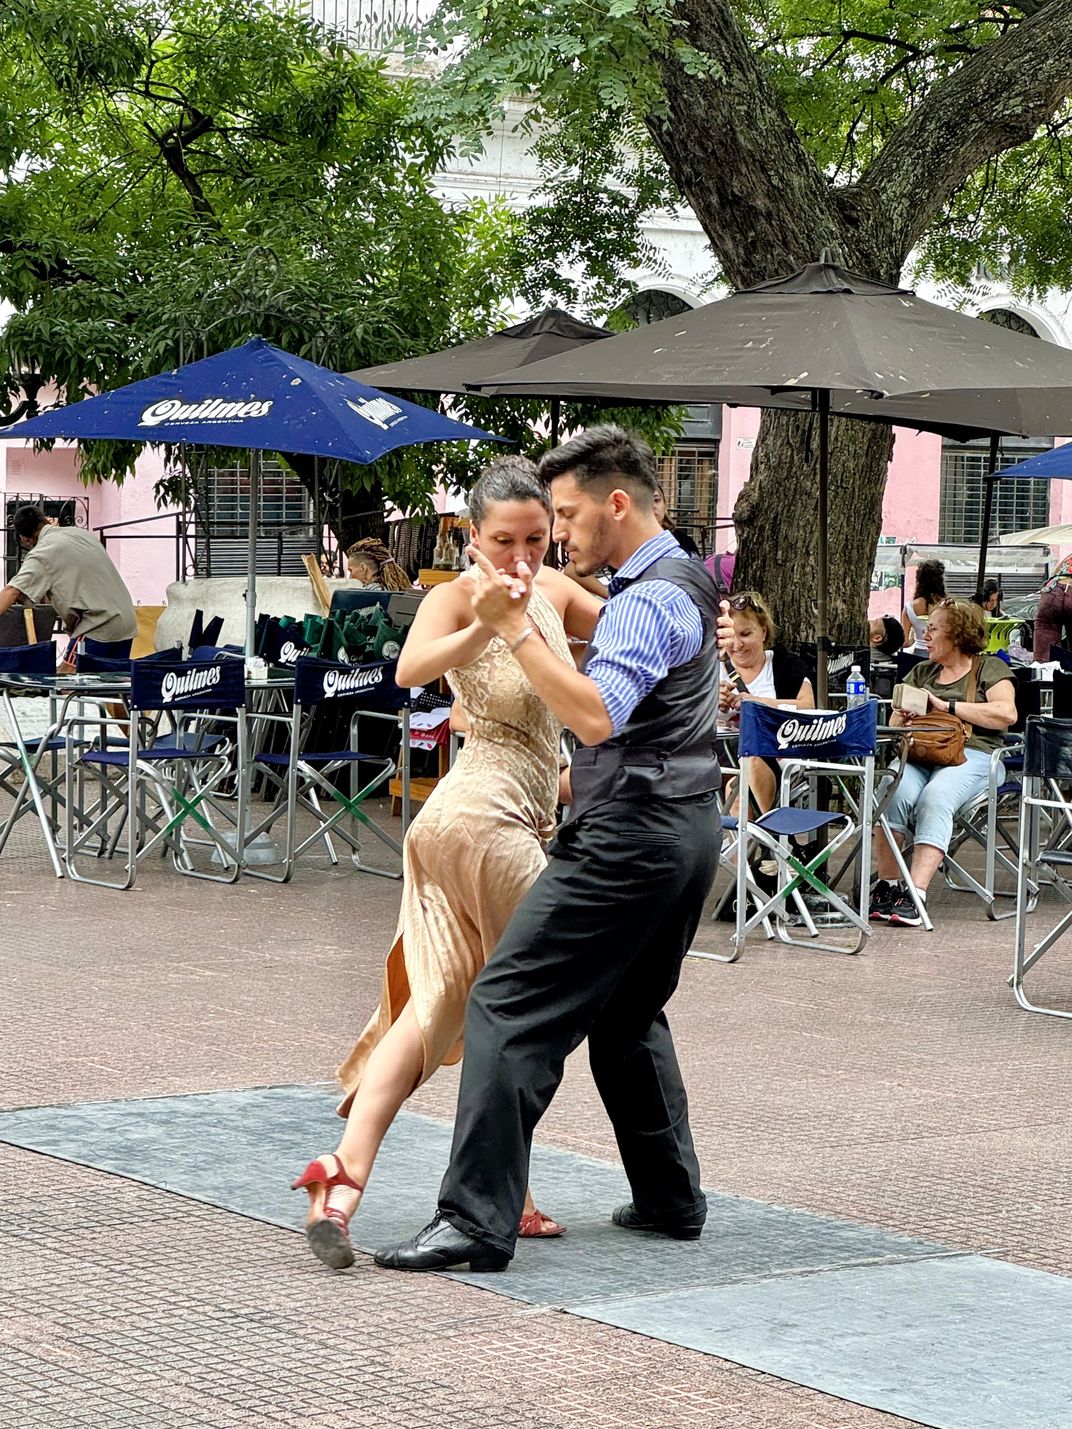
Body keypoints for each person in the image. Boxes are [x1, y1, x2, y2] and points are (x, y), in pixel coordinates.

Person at [373, 424, 723, 1275]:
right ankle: (670, 1197)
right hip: (688, 829)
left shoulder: (646, 599)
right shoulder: (684, 581)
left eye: (564, 515)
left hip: (631, 836)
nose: (557, 533)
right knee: (627, 1013)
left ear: (616, 504)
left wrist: (516, 630)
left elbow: (595, 716)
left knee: (505, 1002)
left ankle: (474, 1220)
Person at [291, 456, 603, 1269]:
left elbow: (628, 631)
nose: (522, 558)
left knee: (432, 1011)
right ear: (472, 536)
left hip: (469, 825)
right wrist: (489, 624)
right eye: (504, 541)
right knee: (527, 1010)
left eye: (536, 539)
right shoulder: (457, 596)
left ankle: (341, 1177)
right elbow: (408, 671)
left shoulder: (556, 590)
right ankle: (509, 1192)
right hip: (482, 824)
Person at [870, 597, 1016, 928]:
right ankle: (887, 885)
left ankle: (916, 894)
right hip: (922, 752)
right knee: (891, 788)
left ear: (958, 634)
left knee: (936, 796)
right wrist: (904, 716)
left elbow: (1007, 713)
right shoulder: (922, 671)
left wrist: (946, 707)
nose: (924, 635)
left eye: (933, 629)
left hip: (976, 754)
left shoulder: (988, 668)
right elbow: (893, 722)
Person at [718, 590, 814, 816]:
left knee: (744, 772)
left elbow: (808, 707)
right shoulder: (709, 671)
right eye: (731, 636)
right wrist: (710, 702)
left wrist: (757, 703)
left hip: (777, 755)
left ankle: (766, 830)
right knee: (736, 783)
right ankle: (767, 833)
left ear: (763, 631)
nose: (738, 644)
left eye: (745, 634)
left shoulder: (786, 666)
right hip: (720, 760)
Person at [0, 506, 136, 662]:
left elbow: (13, 591)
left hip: (98, 624)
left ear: (24, 539)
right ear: (46, 520)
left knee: (69, 676)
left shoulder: (43, 551)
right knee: (113, 676)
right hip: (126, 621)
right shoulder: (82, 534)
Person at [901, 558, 946, 652]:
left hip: (918, 653)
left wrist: (913, 640)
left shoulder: (909, 607)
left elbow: (904, 642)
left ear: (919, 581)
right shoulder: (948, 605)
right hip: (942, 653)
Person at [1033, 556, 1072, 661]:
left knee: (1045, 634)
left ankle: (1043, 666)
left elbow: (1055, 571)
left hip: (1052, 589)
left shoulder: (1069, 556)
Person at [345, 537, 412, 591]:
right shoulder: (393, 589)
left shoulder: (364, 596)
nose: (350, 577)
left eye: (351, 571)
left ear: (363, 568)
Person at [653, 485, 701, 557]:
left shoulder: (684, 542)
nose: (652, 506)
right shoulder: (635, 542)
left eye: (656, 500)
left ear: (665, 506)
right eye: (645, 501)